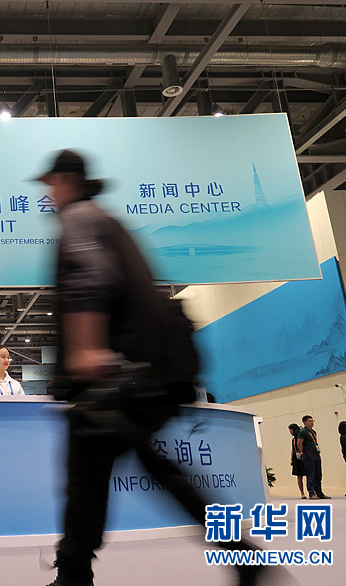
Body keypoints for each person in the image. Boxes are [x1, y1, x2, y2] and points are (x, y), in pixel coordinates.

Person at [36, 149, 263, 586]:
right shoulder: (108, 221)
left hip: (114, 377)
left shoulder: (80, 219)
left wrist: (85, 349)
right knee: (126, 471)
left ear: (69, 182)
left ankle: (76, 574)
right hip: (144, 373)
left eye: (53, 183)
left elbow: (89, 281)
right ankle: (243, 557)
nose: (49, 194)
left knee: (90, 477)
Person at [296, 415, 329, 499]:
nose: (311, 423)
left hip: (316, 454)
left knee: (318, 474)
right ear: (304, 423)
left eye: (312, 421)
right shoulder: (303, 432)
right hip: (308, 454)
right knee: (311, 474)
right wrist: (303, 452)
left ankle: (319, 492)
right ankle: (311, 493)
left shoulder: (313, 432)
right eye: (309, 421)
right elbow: (299, 443)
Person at [287, 424, 307, 499]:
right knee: (299, 476)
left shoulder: (301, 436)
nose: (290, 432)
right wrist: (291, 459)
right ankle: (302, 493)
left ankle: (312, 491)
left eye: (290, 430)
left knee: (309, 475)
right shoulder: (294, 439)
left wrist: (302, 452)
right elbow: (293, 449)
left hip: (304, 456)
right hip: (296, 458)